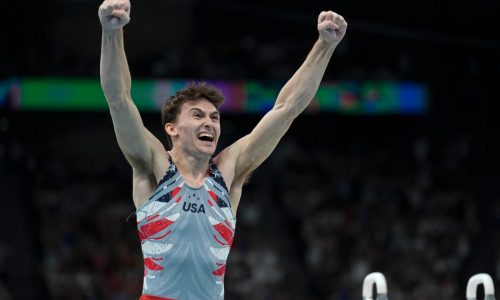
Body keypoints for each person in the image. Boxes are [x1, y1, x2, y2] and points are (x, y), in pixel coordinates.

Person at [98, 0, 347, 299]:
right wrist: (111, 32)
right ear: (171, 128)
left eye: (215, 117)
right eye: (198, 115)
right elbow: (118, 98)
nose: (210, 124)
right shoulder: (153, 165)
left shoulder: (228, 171)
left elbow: (286, 109)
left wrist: (325, 44)